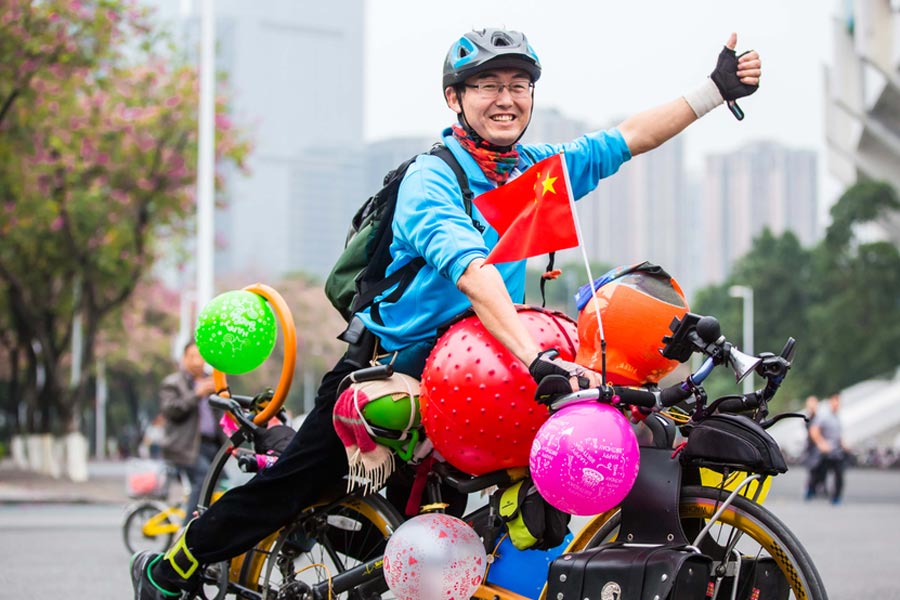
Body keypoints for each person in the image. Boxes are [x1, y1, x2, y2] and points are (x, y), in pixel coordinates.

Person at [132, 27, 762, 598]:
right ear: (454, 99)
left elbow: (632, 137)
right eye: (487, 85)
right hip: (390, 371)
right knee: (295, 484)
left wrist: (713, 90)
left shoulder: (536, 171)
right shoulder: (432, 179)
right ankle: (172, 568)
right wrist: (536, 356)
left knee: (499, 506)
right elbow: (472, 270)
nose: (505, 98)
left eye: (518, 85)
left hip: (482, 372)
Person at [159, 340, 224, 523]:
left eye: (200, 357)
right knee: (203, 479)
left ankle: (209, 527)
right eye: (192, 356)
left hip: (212, 445)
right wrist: (196, 394)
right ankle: (188, 529)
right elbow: (171, 411)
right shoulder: (173, 383)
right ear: (184, 358)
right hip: (185, 447)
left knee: (223, 486)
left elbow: (221, 415)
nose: (197, 361)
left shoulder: (213, 382)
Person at [807, 393, 849, 505]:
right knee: (818, 474)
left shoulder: (837, 418)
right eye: (834, 402)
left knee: (839, 475)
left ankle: (836, 497)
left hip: (836, 452)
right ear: (830, 402)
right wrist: (821, 443)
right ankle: (811, 490)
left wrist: (844, 445)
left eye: (838, 402)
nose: (836, 405)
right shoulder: (823, 417)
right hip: (824, 452)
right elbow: (814, 431)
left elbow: (838, 435)